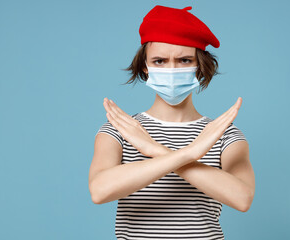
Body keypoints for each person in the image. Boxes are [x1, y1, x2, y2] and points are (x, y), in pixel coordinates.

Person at [89, 5, 255, 240]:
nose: (172, 69)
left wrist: (154, 150)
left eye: (185, 60)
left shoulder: (223, 135)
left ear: (200, 66)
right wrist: (190, 153)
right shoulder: (121, 130)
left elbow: (242, 198)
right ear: (145, 66)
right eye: (159, 61)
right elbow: (99, 190)